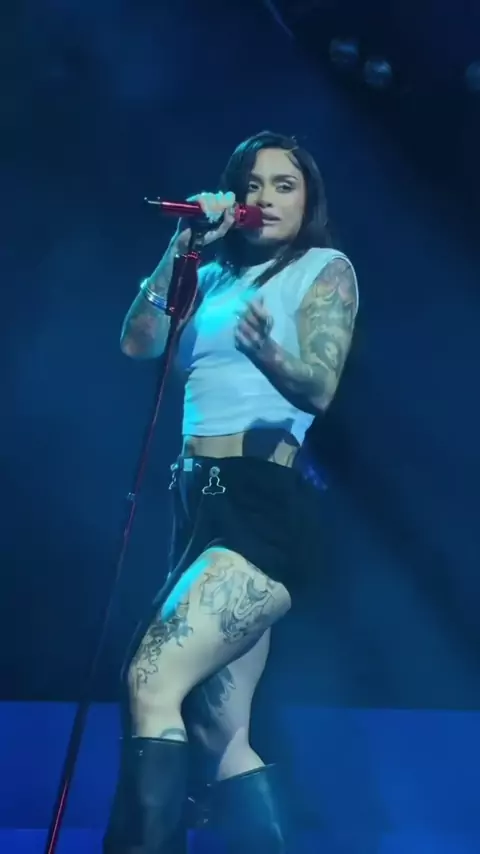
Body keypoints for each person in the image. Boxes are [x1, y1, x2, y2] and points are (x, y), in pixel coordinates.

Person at [104, 130, 358, 854]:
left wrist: (269, 352)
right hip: (197, 503)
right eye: (252, 184)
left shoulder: (323, 269)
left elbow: (321, 385)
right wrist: (182, 244)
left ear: (307, 199)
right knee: (221, 729)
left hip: (260, 502)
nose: (265, 198)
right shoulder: (209, 275)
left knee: (151, 679)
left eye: (284, 185)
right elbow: (139, 342)